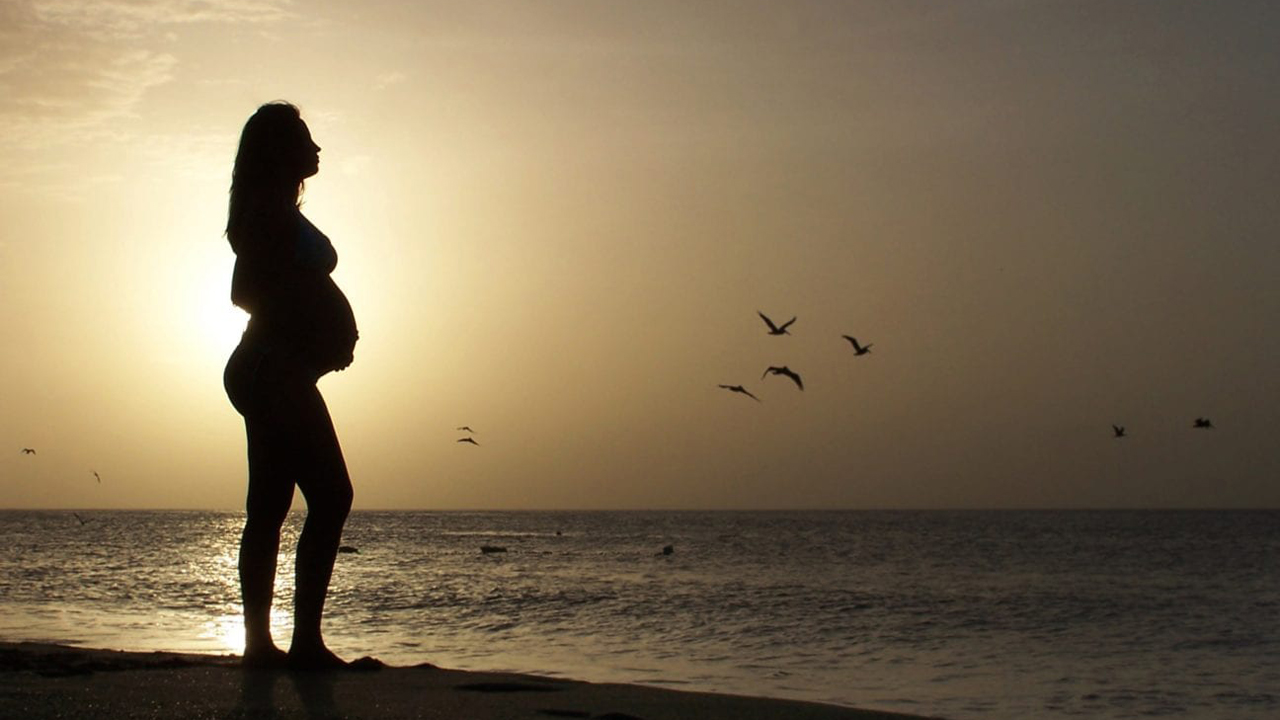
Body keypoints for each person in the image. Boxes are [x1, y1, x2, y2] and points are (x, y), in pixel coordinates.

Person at [223, 102, 360, 670]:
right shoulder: (266, 216)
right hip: (272, 367)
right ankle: (299, 643)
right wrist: (309, 327)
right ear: (281, 150)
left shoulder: (276, 210)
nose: (318, 148)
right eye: (306, 138)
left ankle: (266, 645)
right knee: (331, 495)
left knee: (271, 505)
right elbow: (246, 290)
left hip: (276, 368)